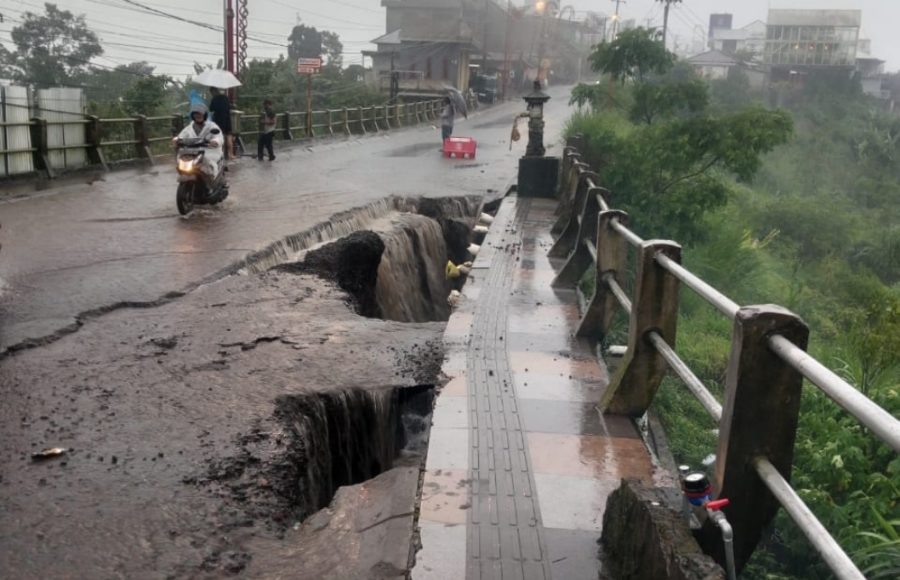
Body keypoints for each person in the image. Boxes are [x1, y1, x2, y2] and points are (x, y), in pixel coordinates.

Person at [175, 102, 224, 181]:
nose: (198, 116)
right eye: (196, 114)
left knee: (207, 160)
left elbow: (218, 136)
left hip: (209, 150)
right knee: (181, 158)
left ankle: (211, 178)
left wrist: (215, 141)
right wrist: (177, 139)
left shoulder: (212, 126)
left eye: (200, 114)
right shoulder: (189, 128)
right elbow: (181, 136)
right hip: (192, 151)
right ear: (193, 116)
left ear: (204, 115)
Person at [208, 87, 234, 159]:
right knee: (229, 136)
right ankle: (230, 154)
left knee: (219, 137)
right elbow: (229, 107)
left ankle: (221, 154)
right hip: (227, 119)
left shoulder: (214, 99)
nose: (211, 94)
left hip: (218, 121)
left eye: (211, 93)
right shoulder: (225, 97)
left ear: (213, 91)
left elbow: (211, 109)